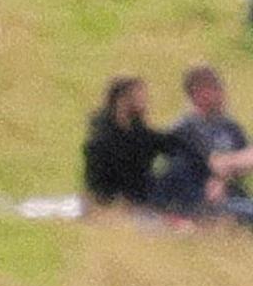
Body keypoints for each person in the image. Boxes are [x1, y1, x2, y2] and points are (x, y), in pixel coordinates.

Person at [153, 65, 253, 221]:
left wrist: (224, 176)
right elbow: (216, 164)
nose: (222, 94)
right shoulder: (184, 129)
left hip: (231, 196)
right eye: (214, 88)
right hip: (198, 202)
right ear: (197, 93)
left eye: (220, 87)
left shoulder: (230, 126)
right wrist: (235, 163)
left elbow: (239, 169)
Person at [85, 77, 170, 209]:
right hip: (113, 202)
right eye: (140, 96)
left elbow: (168, 145)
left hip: (139, 198)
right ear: (123, 100)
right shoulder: (101, 139)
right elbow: (99, 184)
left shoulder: (139, 130)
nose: (146, 101)